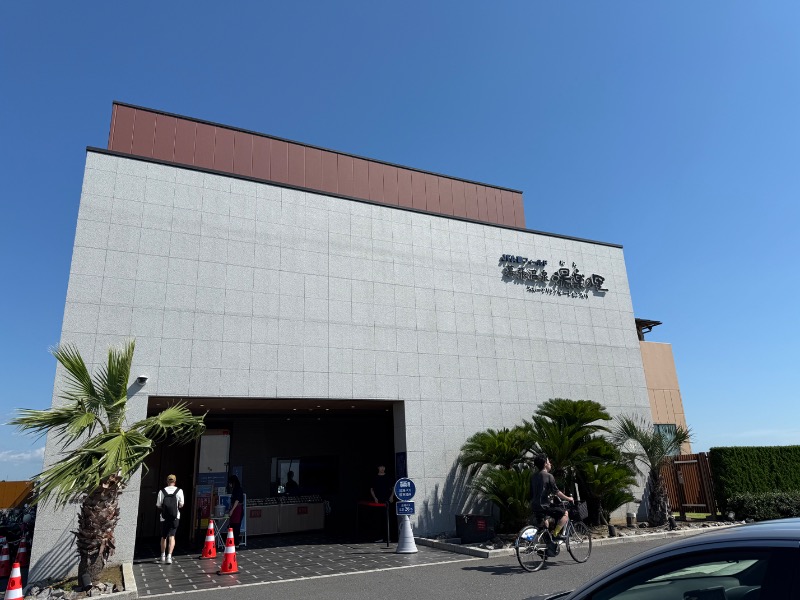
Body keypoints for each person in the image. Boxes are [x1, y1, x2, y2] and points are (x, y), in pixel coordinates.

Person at [531, 455, 574, 540]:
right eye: (548, 462)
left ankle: (547, 543)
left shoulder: (533, 477)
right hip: (544, 506)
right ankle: (556, 534)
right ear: (545, 464)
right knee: (565, 513)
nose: (550, 463)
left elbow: (533, 492)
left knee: (545, 523)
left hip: (534, 506)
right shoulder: (549, 476)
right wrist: (569, 498)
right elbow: (557, 492)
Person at [156, 474, 184, 564]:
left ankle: (162, 556)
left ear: (167, 482)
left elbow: (158, 505)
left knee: (163, 536)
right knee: (172, 536)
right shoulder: (179, 491)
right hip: (175, 517)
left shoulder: (162, 491)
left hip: (164, 518)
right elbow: (181, 504)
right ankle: (169, 556)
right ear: (175, 482)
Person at [370, 464, 394, 542]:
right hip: (378, 500)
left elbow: (393, 488)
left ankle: (388, 537)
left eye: (383, 467)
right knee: (378, 519)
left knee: (387, 519)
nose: (382, 468)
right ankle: (379, 537)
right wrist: (375, 498)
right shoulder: (375, 477)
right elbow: (371, 489)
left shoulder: (388, 477)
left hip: (386, 500)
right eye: (381, 467)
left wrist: (391, 496)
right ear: (378, 468)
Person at [227, 475, 245, 547]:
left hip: (237, 510)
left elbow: (237, 501)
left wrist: (232, 510)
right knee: (233, 525)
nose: (229, 485)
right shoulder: (235, 489)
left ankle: (236, 542)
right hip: (235, 509)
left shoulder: (238, 489)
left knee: (236, 526)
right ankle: (233, 541)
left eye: (230, 483)